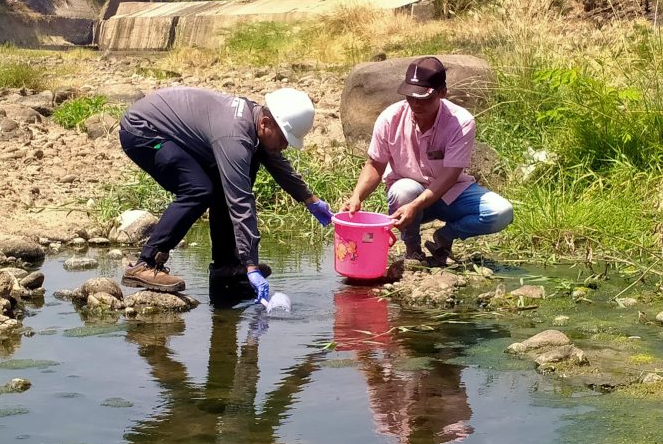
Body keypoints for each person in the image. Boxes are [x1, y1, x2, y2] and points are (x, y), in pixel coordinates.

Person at [118, 86, 333, 300]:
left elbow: (276, 162)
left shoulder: (255, 120)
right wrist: (251, 265)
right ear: (266, 123)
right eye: (284, 139)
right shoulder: (234, 137)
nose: (285, 146)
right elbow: (240, 202)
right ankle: (146, 264)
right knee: (199, 190)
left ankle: (225, 270)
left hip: (172, 133)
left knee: (243, 169)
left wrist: (310, 200)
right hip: (143, 132)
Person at [341, 56, 513, 265]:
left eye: (423, 98)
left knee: (501, 212)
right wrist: (357, 196)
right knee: (403, 189)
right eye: (410, 97)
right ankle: (412, 249)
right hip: (408, 195)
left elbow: (450, 175)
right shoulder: (390, 118)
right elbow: (375, 164)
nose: (415, 103)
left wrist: (415, 205)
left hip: (451, 193)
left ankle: (444, 237)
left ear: (442, 93)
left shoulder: (460, 121)